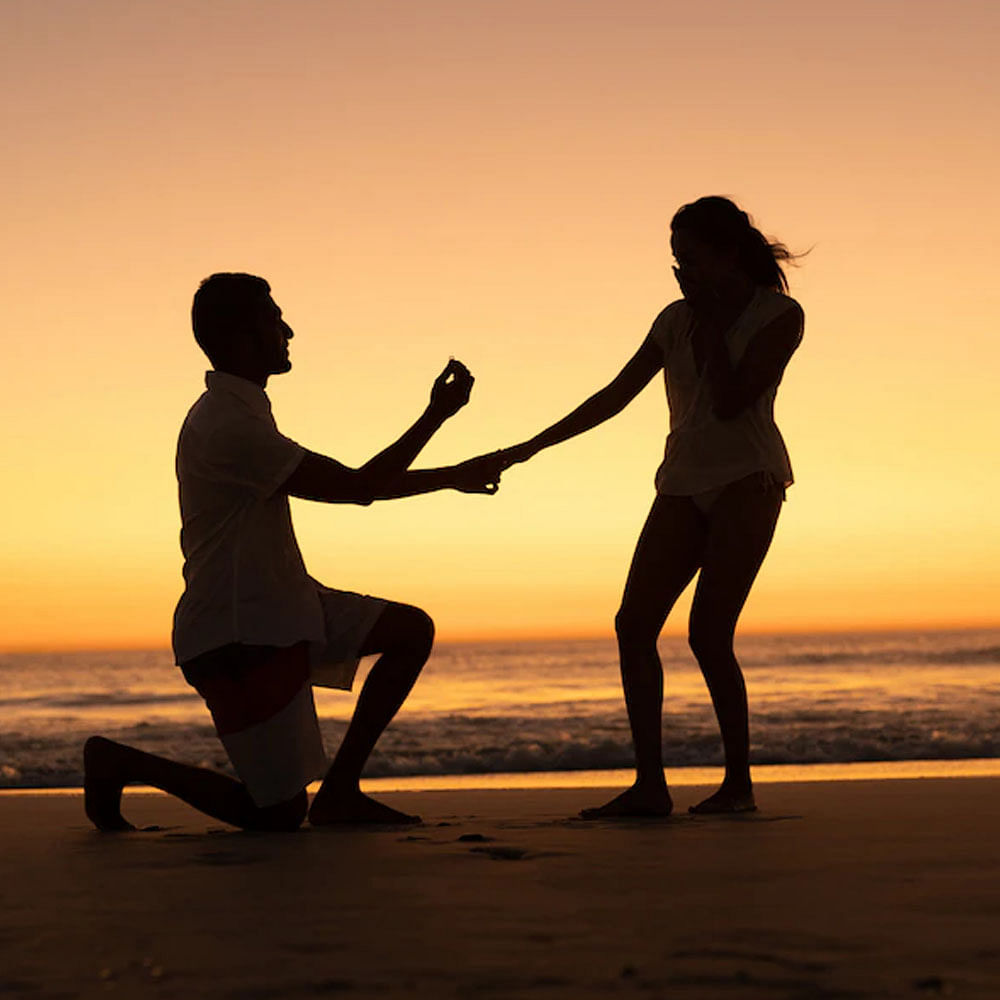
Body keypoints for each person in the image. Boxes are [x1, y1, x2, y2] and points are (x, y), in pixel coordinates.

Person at [84, 273, 505, 832]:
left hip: (285, 605)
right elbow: (358, 489)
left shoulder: (244, 410)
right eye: (273, 319)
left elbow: (359, 484)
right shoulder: (229, 425)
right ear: (239, 337)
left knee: (409, 631)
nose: (288, 330)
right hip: (239, 634)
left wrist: (438, 423)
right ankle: (121, 761)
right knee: (276, 815)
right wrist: (451, 462)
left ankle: (342, 793)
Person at [493, 197, 804, 817]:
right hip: (681, 482)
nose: (679, 271)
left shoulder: (780, 315)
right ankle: (650, 786)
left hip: (750, 480)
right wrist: (528, 447)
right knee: (633, 625)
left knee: (709, 635)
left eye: (689, 258)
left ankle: (737, 787)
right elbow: (615, 394)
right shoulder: (671, 319)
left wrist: (712, 321)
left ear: (726, 253)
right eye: (675, 260)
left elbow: (730, 402)